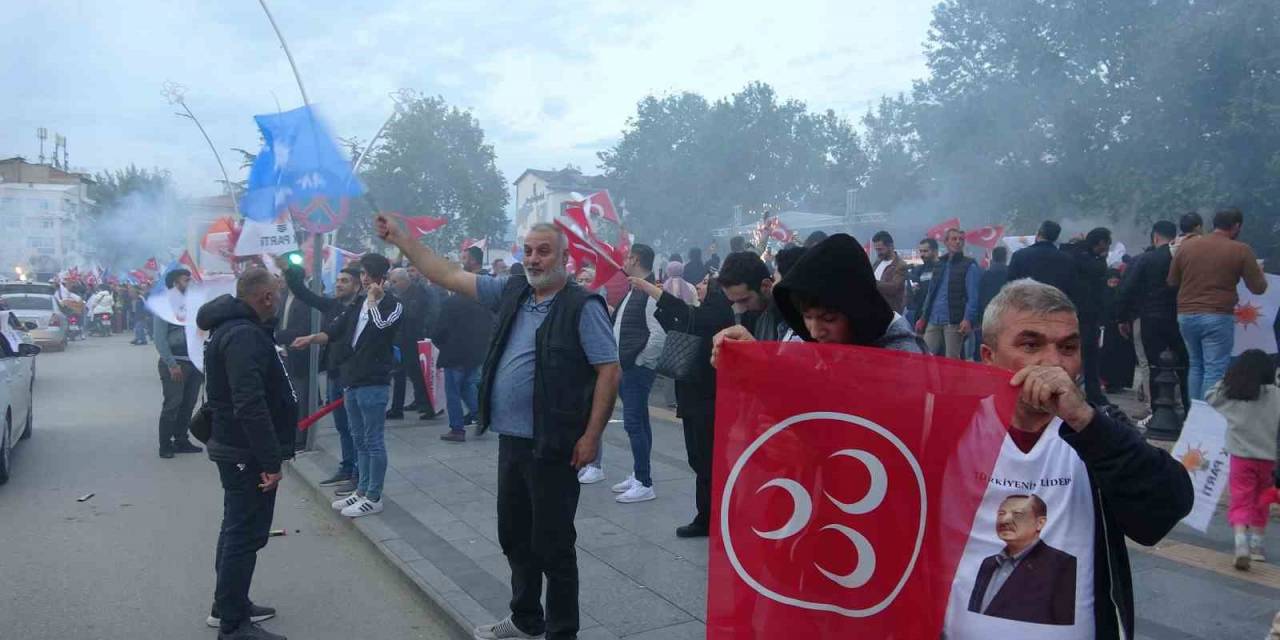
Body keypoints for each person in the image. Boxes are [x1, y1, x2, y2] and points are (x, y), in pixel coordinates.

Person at [377, 215, 621, 640]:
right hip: (513, 441)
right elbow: (449, 274)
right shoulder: (513, 292)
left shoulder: (582, 306)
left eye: (544, 251)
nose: (534, 258)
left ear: (565, 257)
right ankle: (526, 618)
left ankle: (562, 632)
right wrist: (402, 239)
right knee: (514, 537)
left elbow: (609, 370)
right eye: (528, 250)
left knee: (554, 547)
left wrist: (591, 436)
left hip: (554, 444)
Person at [945, 278, 1192, 639]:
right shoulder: (951, 430)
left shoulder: (1099, 433)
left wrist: (1086, 422)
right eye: (1031, 345)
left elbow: (1163, 510)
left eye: (1068, 347)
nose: (1053, 363)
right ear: (988, 357)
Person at [199, 267, 297, 640]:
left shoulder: (238, 329)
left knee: (238, 529)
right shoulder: (243, 335)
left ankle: (229, 604)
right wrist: (271, 461)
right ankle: (233, 625)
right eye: (278, 292)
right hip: (245, 451)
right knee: (244, 534)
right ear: (266, 297)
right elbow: (250, 403)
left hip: (237, 446)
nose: (280, 298)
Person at [292, 254, 403, 518]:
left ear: (381, 277)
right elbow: (335, 331)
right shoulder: (358, 304)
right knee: (359, 439)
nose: (364, 280)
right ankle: (362, 489)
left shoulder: (393, 304)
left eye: (368, 275)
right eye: (362, 275)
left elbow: (381, 327)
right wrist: (310, 339)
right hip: (351, 379)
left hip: (373, 381)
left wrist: (375, 301)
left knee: (373, 440)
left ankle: (374, 496)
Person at [627, 273, 735, 537]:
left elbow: (686, 317)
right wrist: (663, 302)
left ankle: (713, 518)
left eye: (705, 283)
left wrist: (652, 290)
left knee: (707, 461)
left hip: (707, 396)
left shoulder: (718, 313)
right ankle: (705, 516)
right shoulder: (702, 313)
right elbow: (675, 324)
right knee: (699, 459)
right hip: (692, 394)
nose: (699, 285)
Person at [1169, 208, 1269, 400]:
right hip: (1217, 315)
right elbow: (1258, 288)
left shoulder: (1187, 247)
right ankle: (1205, 420)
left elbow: (1172, 280)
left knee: (1196, 365)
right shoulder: (1240, 250)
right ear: (1237, 226)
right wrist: (1259, 271)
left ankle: (1193, 417)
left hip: (1186, 315)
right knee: (1214, 368)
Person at [281, 263, 364, 491]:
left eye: (345, 281)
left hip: (353, 376)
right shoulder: (332, 306)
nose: (338, 284)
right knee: (342, 427)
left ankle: (359, 474)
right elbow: (303, 293)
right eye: (338, 280)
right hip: (334, 373)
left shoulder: (362, 309)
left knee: (356, 428)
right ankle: (346, 467)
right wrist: (291, 271)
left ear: (358, 286)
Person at [1206, 350, 1280, 571]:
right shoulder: (1276, 395)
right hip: (1268, 459)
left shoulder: (1234, 395)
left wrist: (1229, 379)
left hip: (1241, 458)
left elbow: (1210, 395)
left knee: (1241, 499)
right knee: (1262, 500)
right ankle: (1257, 547)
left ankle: (1240, 544)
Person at [610, 244, 667, 504]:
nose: (623, 260)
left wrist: (639, 361)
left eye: (626, 256)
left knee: (634, 423)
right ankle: (639, 473)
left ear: (635, 259)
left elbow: (658, 335)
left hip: (636, 370)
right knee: (640, 422)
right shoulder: (634, 290)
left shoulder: (648, 292)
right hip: (628, 367)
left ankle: (644, 482)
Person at [966, 494, 1077, 626]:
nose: (1005, 520)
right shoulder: (989, 563)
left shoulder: (1061, 564)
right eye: (1001, 514)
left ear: (1040, 523)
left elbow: (1063, 623)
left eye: (1017, 514)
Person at [1117, 220, 1189, 418]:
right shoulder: (1183, 258)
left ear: (1155, 236)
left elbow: (1126, 289)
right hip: (1180, 317)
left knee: (1152, 364)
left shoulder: (1144, 259)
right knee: (1183, 364)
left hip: (1149, 317)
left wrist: (1122, 318)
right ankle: (1185, 407)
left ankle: (1156, 410)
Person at [432, 285, 494, 443]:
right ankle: (480, 416)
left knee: (453, 392)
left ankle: (457, 429)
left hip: (455, 354)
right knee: (467, 387)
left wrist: (440, 343)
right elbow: (491, 326)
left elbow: (439, 330)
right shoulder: (482, 303)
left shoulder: (451, 303)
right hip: (475, 354)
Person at [154, 268, 203, 458]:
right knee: (172, 405)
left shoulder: (192, 305)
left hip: (194, 362)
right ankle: (165, 445)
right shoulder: (165, 306)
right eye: (186, 280)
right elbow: (160, 339)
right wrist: (171, 364)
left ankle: (181, 439)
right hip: (176, 364)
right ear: (175, 283)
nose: (189, 283)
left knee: (188, 404)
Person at [1063, 227, 1113, 405]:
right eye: (1106, 244)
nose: (1107, 248)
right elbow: (1098, 270)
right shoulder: (1085, 258)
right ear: (1100, 242)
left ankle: (1090, 391)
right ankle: (1082, 390)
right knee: (1085, 353)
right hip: (1083, 313)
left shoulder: (1076, 253)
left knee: (1088, 354)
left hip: (1084, 313)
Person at [917, 228, 980, 359]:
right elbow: (931, 293)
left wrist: (968, 318)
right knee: (926, 356)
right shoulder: (939, 264)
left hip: (954, 319)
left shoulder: (969, 265)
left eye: (961, 239)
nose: (958, 242)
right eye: (954, 239)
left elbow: (973, 296)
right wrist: (924, 316)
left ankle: (953, 380)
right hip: (934, 318)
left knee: (952, 358)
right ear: (946, 242)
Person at [386, 267, 432, 419]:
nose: (392, 285)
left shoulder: (418, 293)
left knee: (417, 374)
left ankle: (426, 405)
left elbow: (413, 315)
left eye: (395, 282)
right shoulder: (402, 294)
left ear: (404, 281)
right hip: (402, 340)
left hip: (414, 340)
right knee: (405, 374)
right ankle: (408, 405)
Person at [717, 252, 787, 341]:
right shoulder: (747, 315)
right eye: (734, 302)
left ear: (766, 286)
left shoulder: (787, 318)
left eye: (744, 300)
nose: (740, 309)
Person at [1006, 220, 1078, 300]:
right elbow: (1071, 288)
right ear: (1056, 237)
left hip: (1026, 305)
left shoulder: (1019, 255)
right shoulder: (1067, 259)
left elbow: (1010, 286)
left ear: (1038, 234)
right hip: (1055, 306)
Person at [975, 246, 1009, 360]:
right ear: (1005, 257)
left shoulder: (985, 274)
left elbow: (979, 296)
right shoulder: (1011, 273)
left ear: (993, 257)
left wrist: (978, 318)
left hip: (986, 314)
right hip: (1006, 314)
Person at [871, 230, 909, 313]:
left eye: (880, 249)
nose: (878, 253)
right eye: (876, 249)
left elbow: (893, 288)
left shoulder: (900, 265)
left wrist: (871, 282)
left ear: (890, 246)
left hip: (890, 312)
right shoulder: (877, 262)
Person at [905, 237, 939, 326]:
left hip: (937, 314)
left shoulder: (942, 268)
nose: (922, 254)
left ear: (935, 251)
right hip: (921, 314)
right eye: (921, 251)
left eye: (925, 251)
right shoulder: (918, 270)